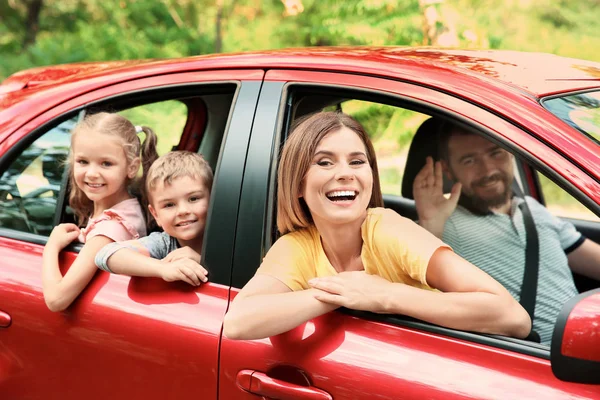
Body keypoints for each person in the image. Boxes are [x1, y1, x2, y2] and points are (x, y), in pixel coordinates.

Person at [223, 111, 531, 341]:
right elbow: (237, 323)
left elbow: (513, 317)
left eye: (357, 162)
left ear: (371, 177)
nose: (345, 173)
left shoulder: (388, 229)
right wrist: (341, 291)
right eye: (325, 162)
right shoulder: (297, 246)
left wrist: (386, 295)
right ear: (298, 185)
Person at [412, 121, 600, 345]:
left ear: (511, 154)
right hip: (534, 360)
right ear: (447, 170)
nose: (488, 170)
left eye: (496, 153)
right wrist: (430, 223)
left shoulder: (534, 210)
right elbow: (417, 290)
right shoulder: (438, 226)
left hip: (587, 342)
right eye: (469, 160)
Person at [42, 112, 159, 312]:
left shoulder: (109, 230)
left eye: (106, 163)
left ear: (131, 168)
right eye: (83, 162)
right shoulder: (126, 206)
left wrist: (51, 247)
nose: (92, 173)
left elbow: (56, 300)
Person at [95, 151, 212, 286]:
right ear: (156, 214)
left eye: (193, 199)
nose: (183, 211)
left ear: (213, 200)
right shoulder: (164, 244)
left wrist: (202, 261)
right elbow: (106, 254)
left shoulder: (230, 241)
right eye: (169, 205)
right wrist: (163, 268)